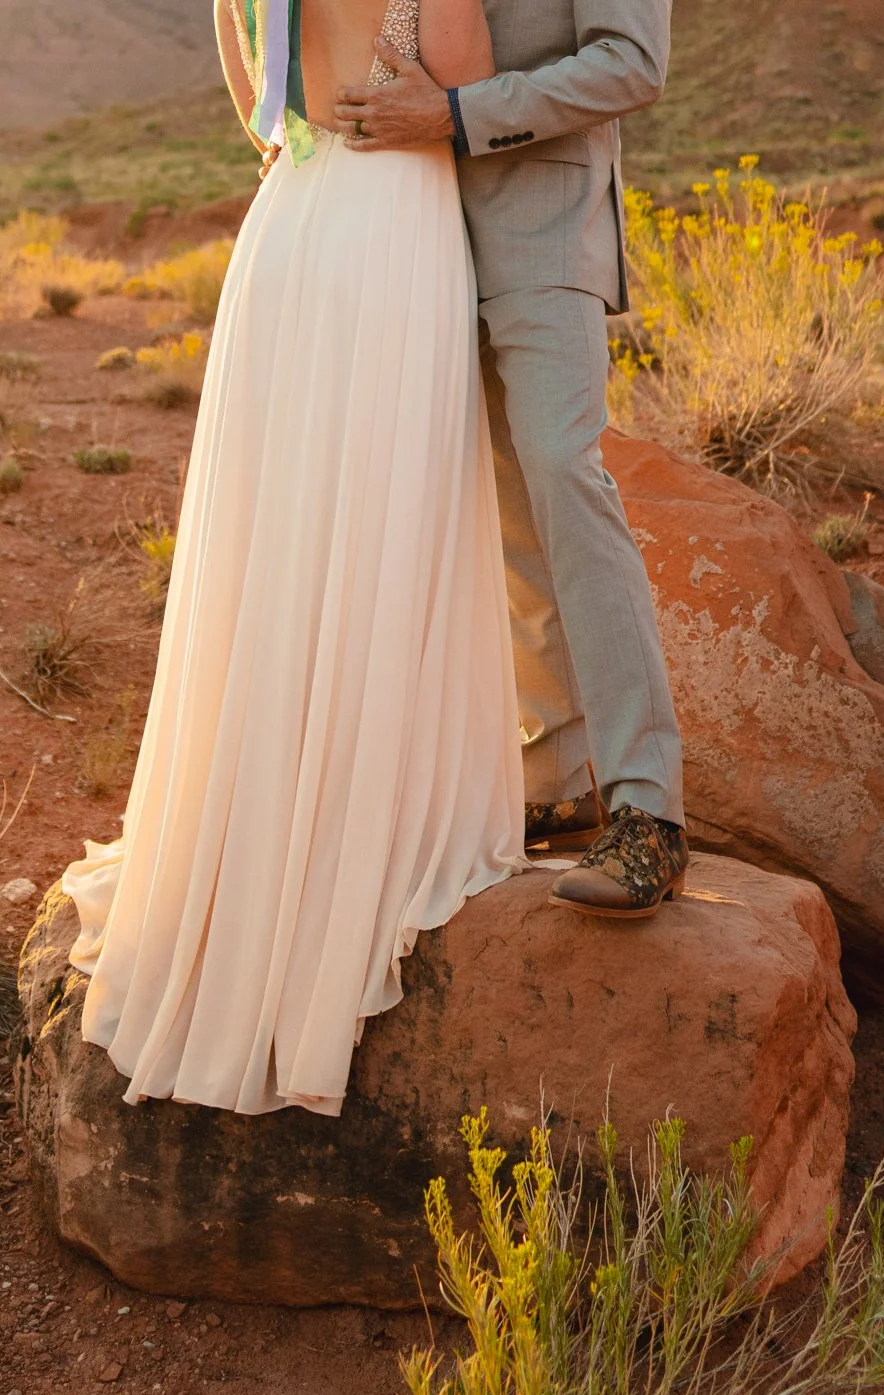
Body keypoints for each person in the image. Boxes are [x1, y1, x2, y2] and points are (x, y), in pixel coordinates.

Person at [57, 0, 533, 1119]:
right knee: (382, 518)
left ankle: (247, 838)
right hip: (389, 235)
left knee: (280, 539)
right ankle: (355, 824)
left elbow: (262, 118)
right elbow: (452, 96)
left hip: (290, 229)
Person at [331, 0, 690, 919]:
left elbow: (631, 64)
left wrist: (457, 116)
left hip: (542, 224)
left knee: (565, 475)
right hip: (414, 229)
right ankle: (559, 777)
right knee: (503, 507)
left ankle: (647, 808)